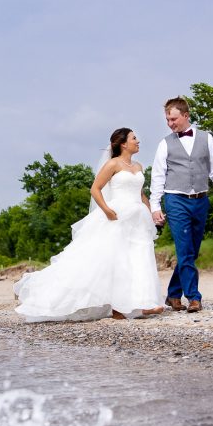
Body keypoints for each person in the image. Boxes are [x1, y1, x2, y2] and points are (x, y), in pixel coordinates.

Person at [14, 128, 164, 322]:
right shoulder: (113, 164)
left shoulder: (138, 166)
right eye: (134, 138)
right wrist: (106, 210)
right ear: (123, 144)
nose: (138, 141)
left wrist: (152, 211)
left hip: (138, 218)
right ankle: (118, 308)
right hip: (118, 216)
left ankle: (141, 303)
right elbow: (95, 189)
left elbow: (141, 193)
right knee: (117, 260)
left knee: (138, 258)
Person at [149, 97, 213, 313]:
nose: (170, 123)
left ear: (186, 116)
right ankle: (193, 297)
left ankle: (173, 294)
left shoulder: (206, 139)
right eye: (167, 119)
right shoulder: (165, 143)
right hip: (175, 199)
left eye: (173, 119)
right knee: (184, 250)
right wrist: (155, 206)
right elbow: (158, 176)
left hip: (200, 200)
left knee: (192, 251)